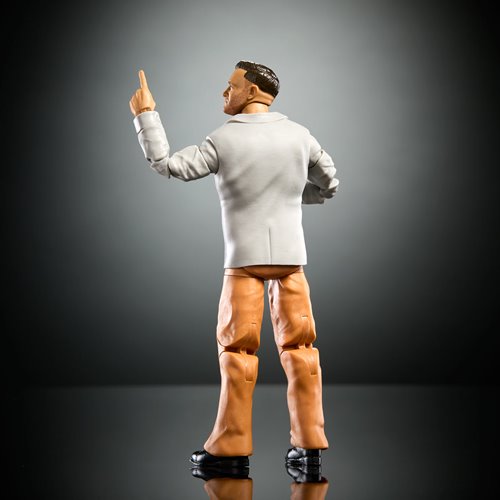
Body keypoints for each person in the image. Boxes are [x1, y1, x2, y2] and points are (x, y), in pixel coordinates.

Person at [129, 61, 339, 468]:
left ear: (253, 91)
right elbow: (329, 183)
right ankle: (310, 444)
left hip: (243, 261)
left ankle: (231, 445)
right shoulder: (300, 135)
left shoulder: (223, 139)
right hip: (291, 260)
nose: (225, 93)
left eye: (231, 86)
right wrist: (288, 196)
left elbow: (168, 165)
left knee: (237, 352)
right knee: (301, 349)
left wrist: (146, 115)